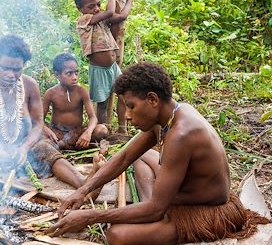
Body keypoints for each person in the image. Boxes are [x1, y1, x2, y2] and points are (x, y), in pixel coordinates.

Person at [45, 62, 269, 244]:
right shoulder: (169, 114)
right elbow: (124, 156)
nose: (129, 116)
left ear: (152, 100)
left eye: (131, 106)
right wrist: (82, 191)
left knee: (118, 236)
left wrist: (90, 217)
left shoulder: (182, 134)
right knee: (140, 156)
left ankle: (152, 209)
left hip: (208, 210)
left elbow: (155, 210)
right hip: (178, 195)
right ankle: (151, 204)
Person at [0, 35, 105, 196]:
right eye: (5, 68)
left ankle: (85, 185)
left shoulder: (30, 85)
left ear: (24, 65)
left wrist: (24, 148)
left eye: (17, 69)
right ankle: (4, 177)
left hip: (27, 144)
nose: (11, 74)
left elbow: (38, 124)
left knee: (44, 148)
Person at [74, 0, 133, 133]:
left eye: (98, 4)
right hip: (99, 71)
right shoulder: (83, 21)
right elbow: (109, 12)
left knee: (124, 95)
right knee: (102, 104)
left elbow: (121, 16)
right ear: (80, 9)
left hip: (113, 68)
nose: (96, 9)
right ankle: (103, 132)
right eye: (91, 6)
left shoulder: (101, 19)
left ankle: (122, 130)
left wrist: (130, 0)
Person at [43, 53, 108, 150]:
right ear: (57, 75)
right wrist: (47, 130)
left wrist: (88, 133)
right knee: (37, 133)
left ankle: (69, 145)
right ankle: (69, 145)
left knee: (102, 130)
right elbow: (39, 120)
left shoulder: (81, 92)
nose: (75, 77)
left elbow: (93, 118)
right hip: (57, 134)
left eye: (76, 73)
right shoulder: (50, 93)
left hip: (77, 133)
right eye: (69, 73)